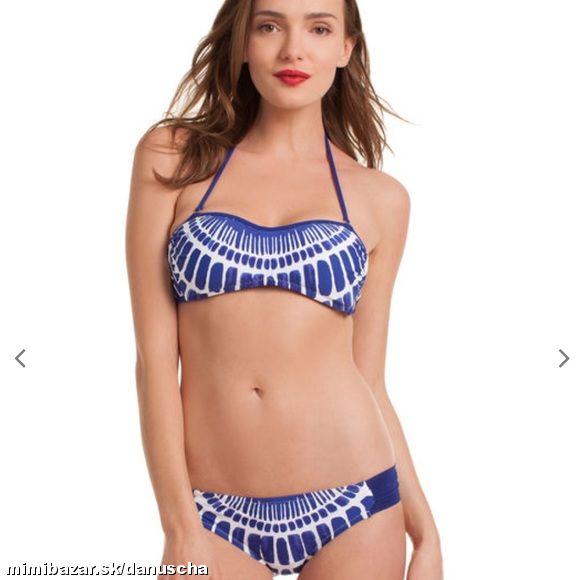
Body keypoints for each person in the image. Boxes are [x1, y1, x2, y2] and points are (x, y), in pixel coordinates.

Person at [125, 0, 443, 578]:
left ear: (345, 49)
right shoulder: (174, 157)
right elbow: (154, 360)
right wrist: (179, 526)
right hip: (209, 513)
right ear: (243, 41)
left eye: (319, 28)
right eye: (269, 26)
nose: (293, 49)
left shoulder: (381, 198)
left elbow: (369, 378)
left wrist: (425, 533)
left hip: (357, 500)